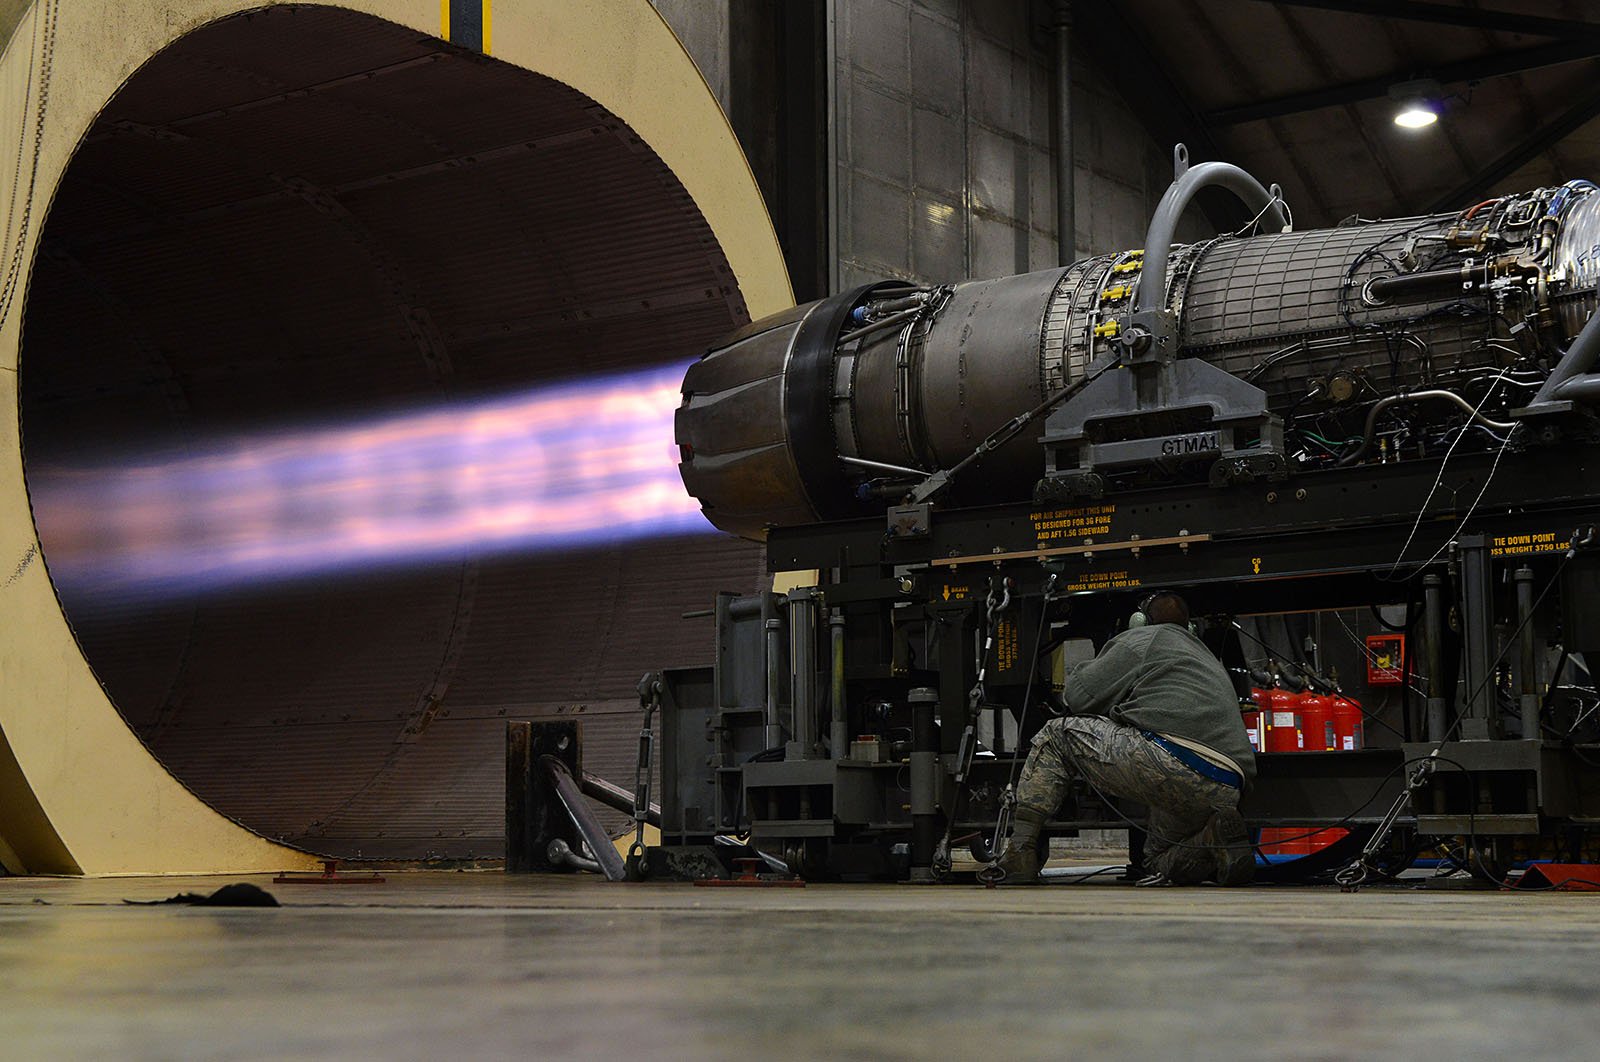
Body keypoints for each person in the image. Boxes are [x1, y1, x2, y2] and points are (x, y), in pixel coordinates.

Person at [995, 591, 1256, 886]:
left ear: (1140, 620)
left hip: (1171, 762)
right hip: (1226, 785)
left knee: (1056, 734)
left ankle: (1021, 853)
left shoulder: (1145, 638)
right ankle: (1212, 840)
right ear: (1190, 626)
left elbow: (1079, 697)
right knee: (1156, 862)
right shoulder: (1205, 655)